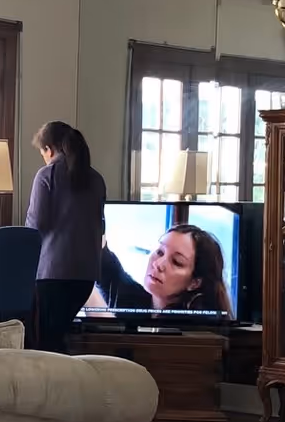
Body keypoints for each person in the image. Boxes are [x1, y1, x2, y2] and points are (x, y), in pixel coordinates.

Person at [24, 121, 107, 350]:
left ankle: (53, 384)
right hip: (86, 275)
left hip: (53, 273)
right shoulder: (96, 179)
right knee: (58, 335)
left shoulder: (46, 175)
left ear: (49, 149)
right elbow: (100, 226)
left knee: (46, 341)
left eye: (43, 153)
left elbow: (36, 225)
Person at [98, 222, 233, 317]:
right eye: (160, 252)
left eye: (176, 262)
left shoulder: (198, 324)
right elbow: (103, 257)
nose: (158, 264)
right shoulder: (131, 296)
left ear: (195, 283)